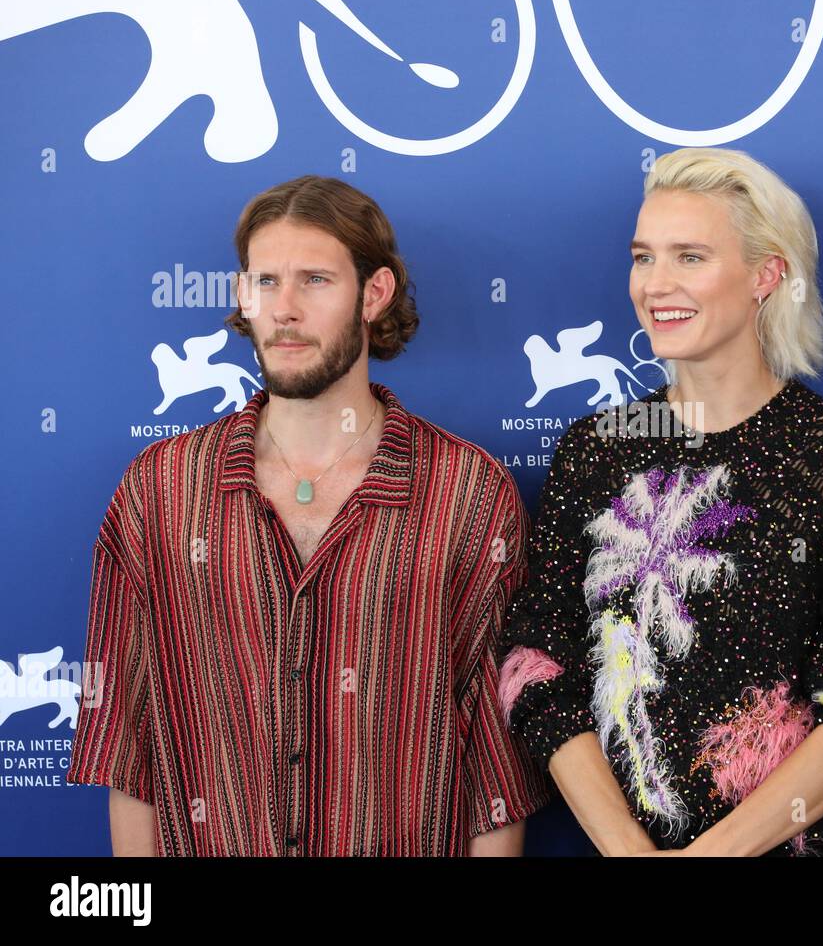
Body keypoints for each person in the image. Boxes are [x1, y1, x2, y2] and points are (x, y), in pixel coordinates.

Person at [66, 175, 549, 855]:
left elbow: (495, 764)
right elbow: (127, 743)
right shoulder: (161, 492)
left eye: (315, 280)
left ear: (373, 294)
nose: (284, 309)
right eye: (265, 281)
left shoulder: (467, 493)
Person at [497, 148, 823, 856]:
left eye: (690, 257)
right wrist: (625, 847)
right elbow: (538, 668)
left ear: (767, 275)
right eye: (644, 257)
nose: (655, 284)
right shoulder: (594, 453)